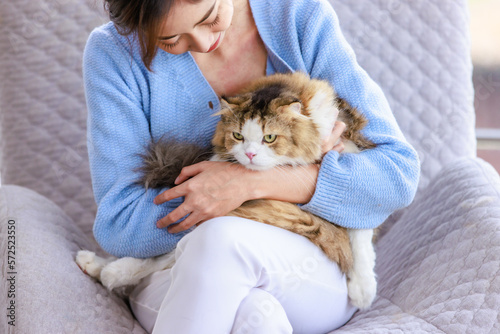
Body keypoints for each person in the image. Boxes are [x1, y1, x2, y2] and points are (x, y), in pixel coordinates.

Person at [82, 0, 420, 332]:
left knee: (222, 239)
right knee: (257, 316)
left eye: (210, 17)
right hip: (174, 271)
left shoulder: (297, 15)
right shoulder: (113, 52)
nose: (201, 44)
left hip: (310, 264)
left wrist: (249, 184)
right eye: (169, 40)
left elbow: (396, 175)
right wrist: (213, 200)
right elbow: (119, 223)